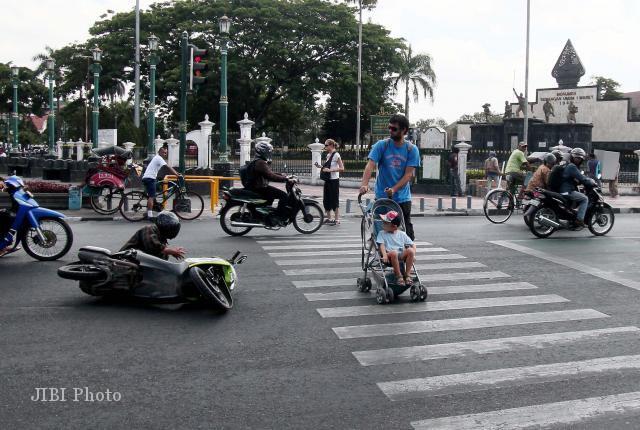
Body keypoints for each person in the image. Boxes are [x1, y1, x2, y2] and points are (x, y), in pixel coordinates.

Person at [359, 114, 420, 240]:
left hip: (402, 198)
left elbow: (408, 175)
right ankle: (382, 256)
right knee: (380, 232)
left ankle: (405, 257)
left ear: (404, 130)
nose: (390, 131)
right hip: (382, 197)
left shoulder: (411, 150)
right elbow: (370, 165)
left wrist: (394, 189)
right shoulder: (382, 145)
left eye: (394, 129)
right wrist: (364, 184)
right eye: (389, 128)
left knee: (406, 235)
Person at [245, 141, 291, 226]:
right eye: (268, 151)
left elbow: (269, 172)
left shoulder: (259, 161)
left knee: (271, 197)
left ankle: (266, 215)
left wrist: (282, 175)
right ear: (262, 151)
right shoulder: (260, 162)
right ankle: (279, 216)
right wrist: (284, 179)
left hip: (257, 186)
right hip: (260, 188)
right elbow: (270, 175)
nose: (269, 153)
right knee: (284, 195)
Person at [120, 211, 185, 260]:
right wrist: (171, 251)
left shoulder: (161, 236)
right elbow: (154, 248)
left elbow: (160, 253)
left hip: (137, 260)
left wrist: (171, 252)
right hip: (126, 259)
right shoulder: (149, 229)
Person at [376, 210, 416, 287]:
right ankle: (399, 276)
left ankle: (407, 274)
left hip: (400, 255)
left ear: (394, 226)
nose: (382, 224)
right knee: (394, 252)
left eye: (385, 223)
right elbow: (382, 245)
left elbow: (413, 244)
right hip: (389, 255)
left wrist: (413, 253)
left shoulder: (402, 234)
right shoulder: (381, 233)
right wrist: (384, 255)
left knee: (410, 250)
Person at [142, 145, 182, 220]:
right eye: (164, 153)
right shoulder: (158, 158)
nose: (165, 154)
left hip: (150, 177)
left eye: (166, 153)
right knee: (152, 196)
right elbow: (168, 167)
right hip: (150, 178)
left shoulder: (158, 158)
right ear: (160, 152)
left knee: (153, 195)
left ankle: (148, 211)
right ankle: (149, 216)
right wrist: (176, 174)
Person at [558, 148, 595, 228]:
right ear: (572, 157)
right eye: (576, 158)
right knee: (585, 199)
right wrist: (591, 182)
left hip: (563, 189)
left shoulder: (568, 165)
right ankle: (579, 220)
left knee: (579, 195)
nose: (578, 160)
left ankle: (573, 215)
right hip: (567, 191)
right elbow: (582, 178)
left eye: (580, 158)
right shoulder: (572, 166)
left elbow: (577, 177)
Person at [315, 139, 344, 225]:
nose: (325, 147)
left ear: (331, 145)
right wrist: (320, 166)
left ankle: (337, 219)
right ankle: (329, 218)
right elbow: (326, 167)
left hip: (334, 180)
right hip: (328, 180)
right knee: (326, 199)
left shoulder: (336, 155)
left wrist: (330, 170)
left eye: (326, 145)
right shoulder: (328, 155)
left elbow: (342, 168)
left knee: (334, 199)